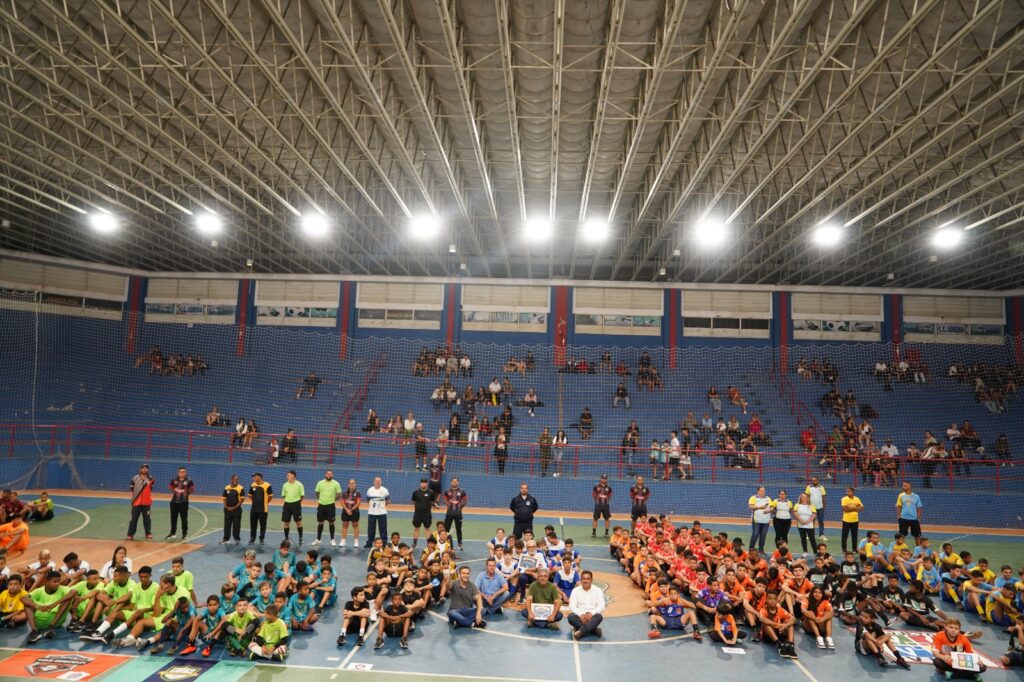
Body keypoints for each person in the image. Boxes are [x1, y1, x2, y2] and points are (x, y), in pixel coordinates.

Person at [21, 570, 72, 643]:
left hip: (56, 622)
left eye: (59, 581)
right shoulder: (39, 591)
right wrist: (37, 606)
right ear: (47, 581)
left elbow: (73, 592)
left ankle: (51, 627)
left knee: (67, 599)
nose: (57, 584)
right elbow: (23, 598)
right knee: (27, 604)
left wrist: (55, 604)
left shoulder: (63, 589)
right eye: (54, 581)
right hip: (39, 623)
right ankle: (34, 631)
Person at [568, 570, 605, 640]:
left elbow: (602, 605)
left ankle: (581, 631)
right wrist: (580, 614)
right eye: (583, 578)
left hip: (592, 616)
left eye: (588, 579)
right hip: (579, 616)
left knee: (599, 616)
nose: (585, 581)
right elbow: (571, 605)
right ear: (581, 580)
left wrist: (591, 613)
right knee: (570, 617)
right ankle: (593, 629)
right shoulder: (575, 590)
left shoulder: (598, 590)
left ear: (591, 580)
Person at [313, 470, 342, 547]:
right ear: (325, 474)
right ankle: (318, 539)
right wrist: (321, 498)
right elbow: (316, 492)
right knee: (320, 522)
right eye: (328, 474)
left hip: (331, 506)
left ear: (332, 475)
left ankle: (332, 540)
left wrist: (332, 500)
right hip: (321, 505)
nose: (329, 475)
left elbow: (339, 494)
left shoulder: (336, 483)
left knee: (331, 522)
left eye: (330, 474)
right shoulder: (320, 483)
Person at [126, 464, 155, 541]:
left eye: (146, 468)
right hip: (136, 503)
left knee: (147, 519)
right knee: (133, 519)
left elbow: (150, 488)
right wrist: (137, 496)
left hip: (146, 503)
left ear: (148, 470)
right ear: (140, 469)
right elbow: (131, 488)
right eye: (143, 468)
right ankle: (130, 534)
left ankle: (148, 533)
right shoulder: (135, 478)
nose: (145, 469)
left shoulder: (151, 478)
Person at [165, 467, 194, 541]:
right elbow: (170, 486)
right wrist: (175, 490)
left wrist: (185, 493)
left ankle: (184, 534)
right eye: (180, 472)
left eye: (183, 472)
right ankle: (172, 533)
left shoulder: (189, 480)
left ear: (186, 472)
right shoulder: (174, 480)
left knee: (184, 518)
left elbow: (192, 489)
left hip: (183, 503)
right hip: (174, 502)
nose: (182, 473)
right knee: (173, 518)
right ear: (178, 472)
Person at [280, 470, 305, 546]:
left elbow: (302, 496)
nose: (287, 476)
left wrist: (296, 502)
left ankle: (300, 538)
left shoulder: (299, 484)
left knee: (298, 522)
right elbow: (283, 496)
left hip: (296, 505)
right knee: (286, 522)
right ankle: (286, 538)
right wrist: (289, 501)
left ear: (293, 476)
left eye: (288, 475)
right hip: (287, 505)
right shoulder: (285, 485)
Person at [364, 477, 390, 548]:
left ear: (381, 482)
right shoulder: (370, 490)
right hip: (372, 512)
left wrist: (383, 505)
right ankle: (369, 542)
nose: (377, 482)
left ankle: (384, 543)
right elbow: (367, 500)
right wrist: (373, 506)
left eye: (379, 481)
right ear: (374, 482)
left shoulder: (384, 490)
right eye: (376, 481)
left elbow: (388, 500)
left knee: (383, 529)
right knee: (371, 529)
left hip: (382, 512)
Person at [443, 478, 467, 551]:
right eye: (453, 481)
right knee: (446, 529)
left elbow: (465, 500)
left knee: (458, 529)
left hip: (458, 513)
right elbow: (445, 499)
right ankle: (445, 543)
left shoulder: (462, 491)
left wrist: (460, 506)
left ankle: (460, 544)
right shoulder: (447, 491)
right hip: (449, 513)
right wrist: (449, 504)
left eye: (456, 481)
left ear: (458, 482)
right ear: (451, 482)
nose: (454, 482)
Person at [248, 472, 273, 546]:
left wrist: (265, 503)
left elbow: (270, 496)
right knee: (253, 524)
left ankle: (261, 539)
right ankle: (252, 538)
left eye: (254, 477)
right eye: (253, 477)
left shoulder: (267, 485)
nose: (253, 478)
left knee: (263, 525)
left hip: (263, 509)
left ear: (259, 477)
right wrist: (255, 501)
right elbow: (250, 495)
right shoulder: (253, 485)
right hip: (254, 509)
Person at [410, 479, 436, 548]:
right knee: (416, 528)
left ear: (427, 484)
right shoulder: (416, 492)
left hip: (427, 514)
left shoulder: (431, 492)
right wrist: (419, 506)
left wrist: (427, 506)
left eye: (425, 483)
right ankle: (414, 543)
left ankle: (429, 544)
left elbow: (433, 501)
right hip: (417, 514)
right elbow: (413, 501)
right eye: (422, 483)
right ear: (420, 483)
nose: (423, 484)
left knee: (427, 528)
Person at [221, 475, 244, 545]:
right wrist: (227, 507)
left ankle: (237, 539)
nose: (236, 481)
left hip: (237, 510)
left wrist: (234, 507)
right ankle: (226, 539)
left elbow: (242, 500)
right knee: (227, 525)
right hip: (227, 510)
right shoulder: (227, 488)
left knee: (236, 525)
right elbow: (224, 498)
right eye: (234, 479)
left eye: (237, 479)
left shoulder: (241, 488)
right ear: (231, 479)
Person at [748, 486, 772, 553]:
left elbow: (772, 507)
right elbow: (751, 506)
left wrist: (769, 511)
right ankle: (751, 549)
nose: (763, 492)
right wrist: (760, 507)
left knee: (763, 536)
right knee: (755, 535)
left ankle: (761, 550)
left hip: (766, 521)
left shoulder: (768, 498)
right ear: (758, 491)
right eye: (761, 491)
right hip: (756, 521)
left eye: (764, 491)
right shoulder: (753, 498)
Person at [339, 479, 361, 548]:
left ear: (355, 484)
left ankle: (356, 541)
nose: (351, 485)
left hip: (354, 511)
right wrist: (347, 510)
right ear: (348, 484)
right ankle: (343, 541)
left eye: (353, 483)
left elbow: (358, 502)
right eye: (350, 483)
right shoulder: (345, 493)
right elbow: (342, 502)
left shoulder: (358, 493)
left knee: (355, 526)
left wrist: (351, 509)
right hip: (345, 511)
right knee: (345, 525)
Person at [840, 487, 864, 553]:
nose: (847, 493)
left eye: (849, 491)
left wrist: (851, 508)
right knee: (844, 535)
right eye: (847, 491)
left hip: (855, 520)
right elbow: (845, 509)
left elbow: (862, 508)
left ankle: (854, 549)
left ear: (853, 492)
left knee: (854, 536)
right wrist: (856, 508)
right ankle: (844, 549)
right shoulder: (844, 499)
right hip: (846, 520)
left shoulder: (857, 499)